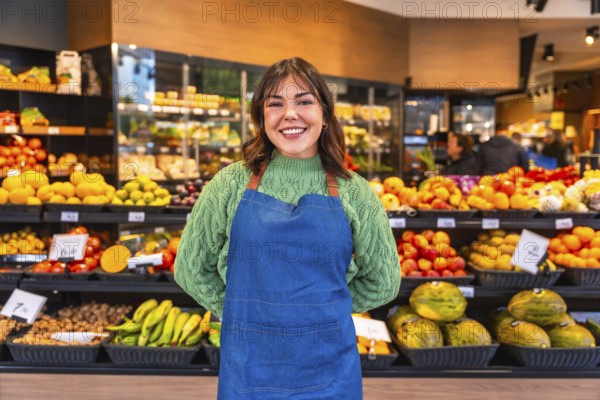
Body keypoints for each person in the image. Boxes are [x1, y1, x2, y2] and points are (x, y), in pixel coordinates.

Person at [174, 57, 400, 399]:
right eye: (275, 104)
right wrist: (244, 312)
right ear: (261, 118)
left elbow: (384, 280)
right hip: (250, 366)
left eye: (304, 101)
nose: (289, 114)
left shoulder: (354, 190)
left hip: (329, 367)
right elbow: (190, 269)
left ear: (324, 114)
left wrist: (320, 314)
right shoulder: (229, 184)